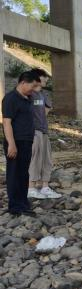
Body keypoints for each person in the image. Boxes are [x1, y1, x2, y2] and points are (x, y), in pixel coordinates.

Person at [2, 71, 39, 216]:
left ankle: (23, 204)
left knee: (23, 174)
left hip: (26, 141)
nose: (34, 89)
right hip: (15, 141)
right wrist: (11, 144)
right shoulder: (11, 98)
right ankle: (15, 207)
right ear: (23, 82)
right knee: (14, 174)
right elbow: (7, 123)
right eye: (32, 86)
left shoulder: (28, 98)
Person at [27, 68, 61, 200]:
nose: (47, 79)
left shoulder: (42, 94)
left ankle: (45, 186)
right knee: (34, 158)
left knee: (46, 159)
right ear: (37, 78)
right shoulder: (29, 94)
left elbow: (46, 111)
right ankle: (31, 188)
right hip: (33, 130)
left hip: (44, 130)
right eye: (44, 77)